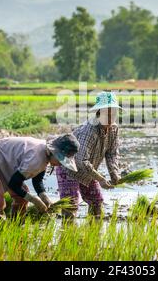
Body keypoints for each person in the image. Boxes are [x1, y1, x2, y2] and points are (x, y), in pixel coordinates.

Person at [0, 134, 80, 220]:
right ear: (53, 152)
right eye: (61, 160)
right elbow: (14, 184)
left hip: (5, 163)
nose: (61, 164)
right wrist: (35, 200)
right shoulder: (35, 157)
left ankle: (16, 224)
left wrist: (44, 197)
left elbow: (37, 180)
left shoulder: (45, 155)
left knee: (21, 198)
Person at [56, 91, 122, 219]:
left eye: (113, 113)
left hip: (87, 171)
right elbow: (81, 160)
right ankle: (68, 234)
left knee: (97, 202)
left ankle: (94, 232)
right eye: (106, 113)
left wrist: (115, 174)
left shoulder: (114, 129)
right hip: (69, 168)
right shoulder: (89, 130)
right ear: (98, 113)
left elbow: (112, 153)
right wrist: (101, 179)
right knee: (71, 205)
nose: (110, 117)